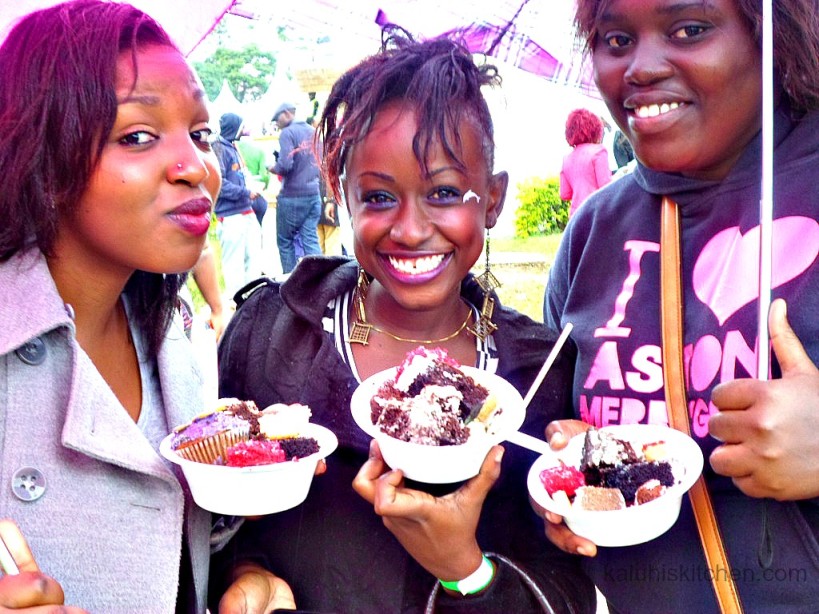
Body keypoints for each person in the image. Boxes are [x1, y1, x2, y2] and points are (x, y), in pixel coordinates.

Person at [210, 30, 597, 614]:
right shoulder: (273, 333)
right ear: (342, 199)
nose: (411, 230)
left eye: (444, 192)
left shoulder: (539, 375)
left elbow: (566, 593)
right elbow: (207, 513)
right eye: (379, 198)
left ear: (491, 200)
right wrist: (246, 573)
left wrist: (465, 571)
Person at [542, 0, 819, 611]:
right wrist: (566, 480)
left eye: (688, 29)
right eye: (615, 40)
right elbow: (556, 428)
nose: (639, 68)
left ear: (772, 34)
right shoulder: (594, 231)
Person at [0, 1, 221, 610]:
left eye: (200, 134)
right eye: (138, 136)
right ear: (44, 163)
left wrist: (248, 564)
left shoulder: (173, 334)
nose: (196, 167)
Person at [268, 101, 323, 274]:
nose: (276, 124)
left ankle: (290, 284)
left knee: (285, 241)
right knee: (310, 239)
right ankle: (320, 280)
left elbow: (285, 165)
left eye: (276, 120)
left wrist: (272, 167)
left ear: (286, 114)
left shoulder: (287, 133)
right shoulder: (313, 132)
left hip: (292, 196)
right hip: (313, 194)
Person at [213, 112, 263, 299]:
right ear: (233, 127)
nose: (243, 130)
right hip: (231, 215)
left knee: (253, 256)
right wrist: (245, 192)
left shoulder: (232, 147)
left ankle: (252, 298)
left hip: (246, 210)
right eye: (240, 126)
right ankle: (237, 303)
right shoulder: (218, 149)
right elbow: (219, 183)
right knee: (234, 263)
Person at [559, 108, 612, 217]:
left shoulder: (566, 159)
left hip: (576, 216)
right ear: (595, 129)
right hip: (596, 214)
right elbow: (607, 188)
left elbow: (565, 194)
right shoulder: (599, 152)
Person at [236, 124, 270, 226]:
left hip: (237, 196)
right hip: (255, 195)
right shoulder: (259, 150)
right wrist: (264, 187)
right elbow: (264, 175)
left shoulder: (233, 147)